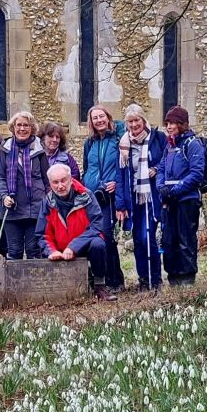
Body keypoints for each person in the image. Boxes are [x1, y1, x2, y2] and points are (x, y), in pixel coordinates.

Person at [41, 163, 118, 301]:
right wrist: (51, 251)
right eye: (55, 182)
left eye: (63, 180)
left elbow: (96, 225)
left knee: (98, 244)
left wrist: (74, 246)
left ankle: (100, 285)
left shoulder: (87, 195)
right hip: (60, 248)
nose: (60, 186)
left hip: (85, 244)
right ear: (50, 184)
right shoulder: (47, 202)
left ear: (71, 179)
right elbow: (42, 234)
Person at [115, 105, 166, 292]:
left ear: (143, 120)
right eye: (130, 121)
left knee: (147, 237)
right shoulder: (123, 145)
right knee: (137, 239)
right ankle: (143, 279)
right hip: (133, 197)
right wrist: (120, 202)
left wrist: (157, 169)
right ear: (126, 124)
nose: (134, 124)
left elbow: (166, 160)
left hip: (151, 197)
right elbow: (119, 175)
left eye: (137, 120)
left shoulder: (157, 138)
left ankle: (156, 279)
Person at [156, 105, 207, 287]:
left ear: (182, 124)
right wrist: (160, 186)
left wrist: (175, 190)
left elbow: (196, 174)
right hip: (169, 200)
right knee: (169, 239)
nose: (169, 127)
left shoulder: (192, 144)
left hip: (186, 200)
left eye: (173, 123)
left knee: (185, 239)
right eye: (167, 123)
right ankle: (173, 276)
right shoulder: (169, 146)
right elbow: (161, 168)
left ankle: (187, 278)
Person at [80, 105, 127, 293]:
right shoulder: (89, 143)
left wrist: (116, 181)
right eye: (94, 118)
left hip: (109, 196)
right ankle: (103, 280)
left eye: (101, 116)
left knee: (106, 235)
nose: (98, 120)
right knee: (96, 236)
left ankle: (115, 280)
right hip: (92, 196)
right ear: (91, 122)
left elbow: (124, 164)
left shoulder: (117, 138)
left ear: (108, 118)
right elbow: (87, 166)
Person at [0, 111, 50, 259]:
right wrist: (4, 196)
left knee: (33, 250)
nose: (22, 129)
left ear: (32, 128)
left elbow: (47, 179)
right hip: (12, 208)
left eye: (26, 125)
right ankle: (14, 283)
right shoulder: (5, 150)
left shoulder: (39, 150)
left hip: (35, 208)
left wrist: (48, 201)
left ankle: (34, 282)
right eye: (19, 125)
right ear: (13, 128)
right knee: (14, 251)